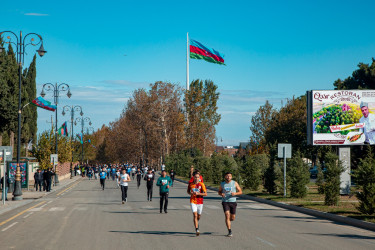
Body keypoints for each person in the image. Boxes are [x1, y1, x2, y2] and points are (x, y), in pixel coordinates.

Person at [218, 172, 242, 237]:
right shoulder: (222, 184)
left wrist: (235, 193)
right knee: (227, 215)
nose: (228, 177)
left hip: (233, 202)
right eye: (227, 176)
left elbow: (240, 191)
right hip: (225, 201)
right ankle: (229, 231)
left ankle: (229, 220)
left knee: (232, 218)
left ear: (231, 177)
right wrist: (221, 194)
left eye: (230, 176)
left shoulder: (234, 183)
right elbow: (219, 192)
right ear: (225, 177)